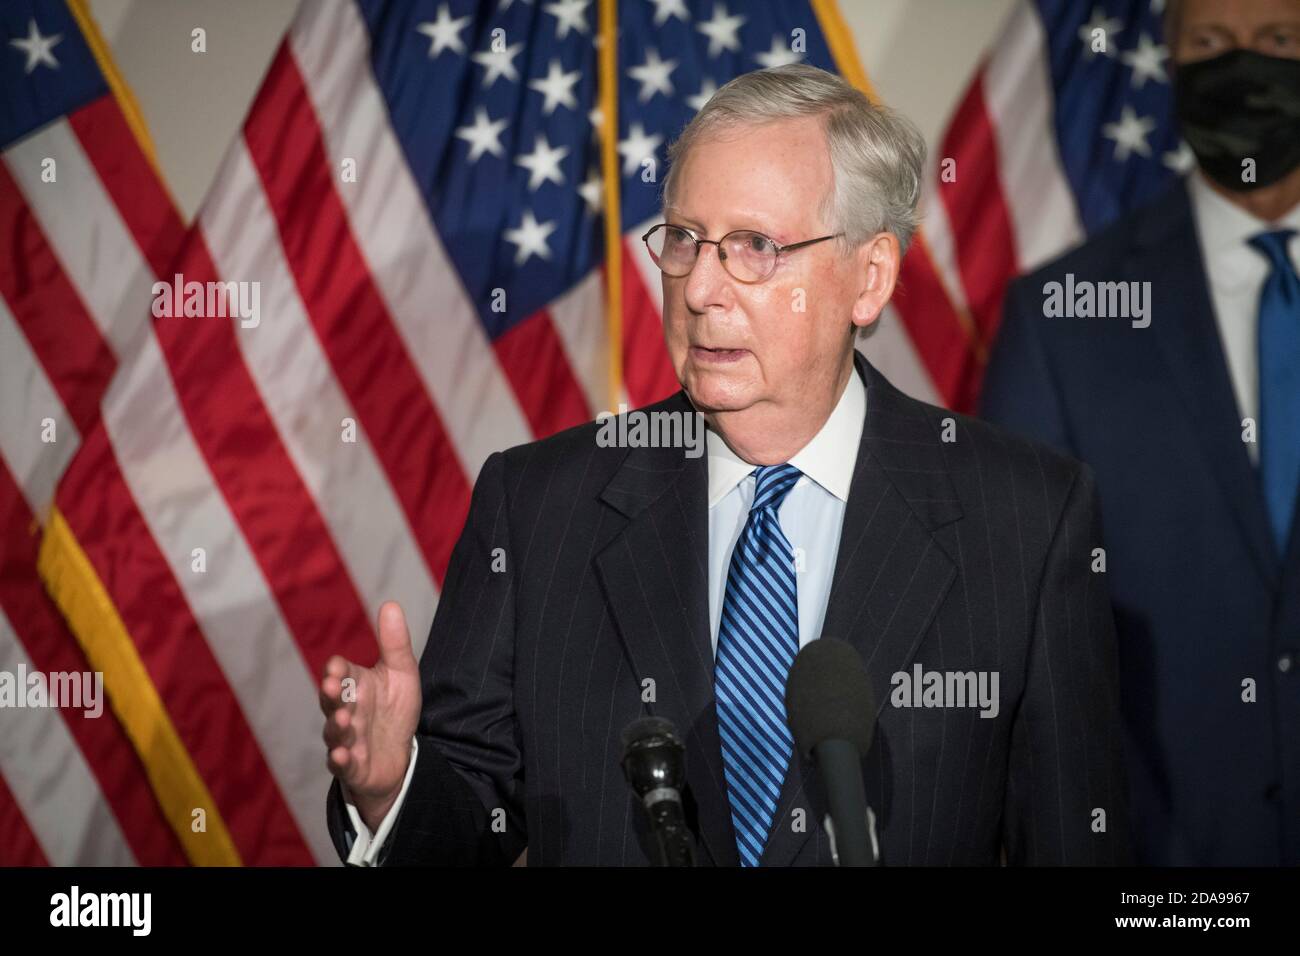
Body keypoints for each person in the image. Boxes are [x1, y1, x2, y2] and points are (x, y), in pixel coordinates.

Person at [320, 63, 1129, 866]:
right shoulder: (537, 508)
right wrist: (392, 791)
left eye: (755, 246)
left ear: (870, 277)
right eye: (684, 239)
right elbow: (468, 822)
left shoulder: (1026, 520)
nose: (700, 288)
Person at [982, 0, 1300, 865]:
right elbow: (1017, 632)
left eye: (1278, 40)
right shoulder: (1060, 317)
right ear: (1170, 57)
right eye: (1212, 42)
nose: (1244, 64)